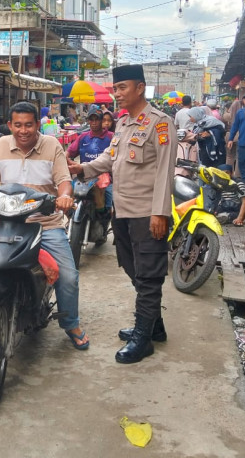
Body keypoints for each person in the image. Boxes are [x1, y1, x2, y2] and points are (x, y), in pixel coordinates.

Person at [70, 65, 176, 365]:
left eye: (122, 88)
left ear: (140, 88)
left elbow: (166, 170)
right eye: (115, 88)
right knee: (133, 268)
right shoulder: (124, 123)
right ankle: (153, 326)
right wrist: (82, 169)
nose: (116, 94)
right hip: (123, 211)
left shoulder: (160, 123)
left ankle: (143, 339)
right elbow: (110, 158)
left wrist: (160, 213)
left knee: (149, 275)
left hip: (147, 213)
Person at [0, 102, 88, 350]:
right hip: (3, 221)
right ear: (10, 125)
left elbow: (64, 181)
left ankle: (71, 323)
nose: (23, 130)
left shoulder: (52, 145)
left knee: (68, 276)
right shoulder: (1, 145)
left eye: (29, 124)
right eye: (17, 125)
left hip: (44, 223)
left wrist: (64, 196)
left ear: (37, 125)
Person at [223, 98, 242, 176]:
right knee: (238, 157)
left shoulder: (226, 115)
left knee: (229, 156)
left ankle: (227, 174)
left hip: (228, 137)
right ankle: (237, 175)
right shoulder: (242, 114)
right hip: (239, 136)